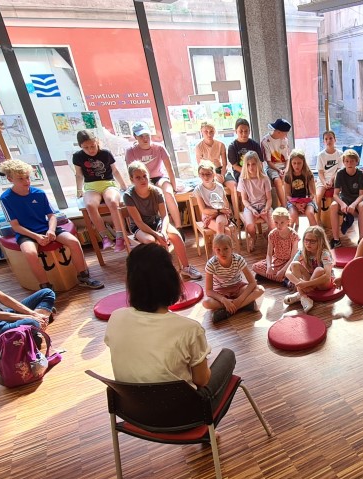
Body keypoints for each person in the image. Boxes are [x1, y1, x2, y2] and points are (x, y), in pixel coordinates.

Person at [104, 243, 211, 388]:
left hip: (130, 401)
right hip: (181, 402)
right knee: (226, 357)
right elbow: (201, 381)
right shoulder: (190, 329)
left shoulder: (116, 318)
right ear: (170, 280)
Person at [0, 159, 104, 290]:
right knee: (30, 253)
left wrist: (51, 230)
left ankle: (84, 277)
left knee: (74, 242)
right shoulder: (5, 198)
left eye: (27, 177)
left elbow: (51, 216)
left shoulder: (39, 193)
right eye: (21, 179)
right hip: (26, 233)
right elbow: (15, 226)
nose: (26, 181)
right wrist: (36, 236)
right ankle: (46, 287)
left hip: (46, 228)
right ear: (10, 179)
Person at [122, 161, 202, 280]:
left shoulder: (156, 191)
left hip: (157, 222)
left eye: (144, 176)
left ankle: (186, 268)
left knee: (176, 235)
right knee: (150, 241)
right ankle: (159, 272)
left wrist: (163, 231)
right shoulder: (128, 196)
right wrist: (156, 234)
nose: (143, 180)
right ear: (131, 179)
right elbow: (138, 222)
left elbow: (165, 216)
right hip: (140, 227)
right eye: (138, 177)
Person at [73, 129, 128, 252]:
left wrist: (123, 185)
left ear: (97, 142)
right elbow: (79, 175)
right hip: (91, 187)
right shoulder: (77, 156)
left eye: (93, 146)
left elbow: (115, 170)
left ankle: (120, 237)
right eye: (86, 147)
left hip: (108, 184)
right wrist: (79, 190)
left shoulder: (105, 153)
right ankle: (105, 237)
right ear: (81, 146)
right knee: (90, 205)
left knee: (112, 202)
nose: (90, 150)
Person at [124, 123, 181, 228]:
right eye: (141, 136)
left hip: (159, 178)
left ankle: (178, 227)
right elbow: (131, 172)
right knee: (149, 197)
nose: (145, 139)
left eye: (147, 135)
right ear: (135, 137)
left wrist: (174, 187)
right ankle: (154, 227)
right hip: (142, 179)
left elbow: (169, 168)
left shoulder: (159, 147)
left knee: (168, 193)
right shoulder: (130, 151)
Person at [202, 233, 264, 323]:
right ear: (214, 250)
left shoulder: (238, 259)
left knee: (260, 289)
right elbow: (209, 291)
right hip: (221, 292)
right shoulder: (211, 264)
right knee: (206, 303)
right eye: (218, 250)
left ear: (231, 248)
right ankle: (245, 305)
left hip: (238, 288)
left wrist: (239, 300)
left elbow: (252, 283)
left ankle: (227, 311)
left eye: (225, 249)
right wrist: (224, 300)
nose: (222, 253)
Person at [283, 226, 334, 313]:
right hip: (310, 281)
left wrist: (306, 284)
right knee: (294, 264)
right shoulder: (302, 251)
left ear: (320, 241)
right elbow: (287, 272)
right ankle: (303, 296)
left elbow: (327, 276)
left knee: (319, 270)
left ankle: (300, 294)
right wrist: (299, 284)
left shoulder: (324, 253)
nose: (308, 244)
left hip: (324, 283)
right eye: (306, 240)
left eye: (312, 241)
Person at [237, 150, 274, 252]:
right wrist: (251, 209)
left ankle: (267, 234)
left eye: (253, 164)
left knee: (274, 224)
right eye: (248, 165)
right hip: (250, 207)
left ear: (258, 164)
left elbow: (269, 199)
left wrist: (266, 208)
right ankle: (253, 237)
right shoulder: (243, 179)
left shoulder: (264, 178)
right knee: (250, 225)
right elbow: (244, 200)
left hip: (264, 205)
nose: (251, 167)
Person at [329, 149, 363, 245]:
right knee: (333, 206)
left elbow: (362, 194)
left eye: (352, 161)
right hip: (344, 198)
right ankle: (336, 239)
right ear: (343, 162)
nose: (349, 163)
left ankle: (361, 239)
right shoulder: (340, 173)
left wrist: (353, 205)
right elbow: (335, 194)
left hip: (357, 198)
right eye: (347, 161)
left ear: (356, 162)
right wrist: (342, 204)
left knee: (362, 206)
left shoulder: (361, 174)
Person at [193, 160, 234, 247]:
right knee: (226, 231)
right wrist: (218, 211)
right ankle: (224, 252)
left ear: (214, 174)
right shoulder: (198, 189)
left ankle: (218, 251)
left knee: (219, 223)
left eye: (208, 174)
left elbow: (226, 205)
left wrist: (219, 212)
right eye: (202, 174)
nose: (205, 177)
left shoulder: (219, 186)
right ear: (199, 175)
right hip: (208, 216)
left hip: (221, 214)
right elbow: (203, 210)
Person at [193, 120, 236, 203]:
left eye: (211, 131)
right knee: (215, 187)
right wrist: (214, 176)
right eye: (206, 132)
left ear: (214, 132)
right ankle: (219, 208)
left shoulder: (220, 145)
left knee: (233, 186)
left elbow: (224, 164)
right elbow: (200, 166)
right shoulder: (199, 147)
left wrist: (222, 175)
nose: (209, 134)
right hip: (208, 173)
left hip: (221, 170)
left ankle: (236, 210)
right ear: (201, 132)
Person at [253, 207, 299, 283]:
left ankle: (273, 277)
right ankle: (283, 280)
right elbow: (269, 254)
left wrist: (283, 270)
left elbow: (293, 257)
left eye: (282, 222)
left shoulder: (294, 235)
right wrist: (269, 267)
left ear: (288, 221)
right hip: (277, 261)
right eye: (276, 222)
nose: (278, 226)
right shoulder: (272, 234)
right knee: (255, 267)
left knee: (296, 268)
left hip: (289, 262)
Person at [261, 118, 292, 208]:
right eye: (285, 133)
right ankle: (285, 206)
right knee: (277, 181)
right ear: (278, 132)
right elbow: (268, 162)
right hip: (272, 167)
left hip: (284, 166)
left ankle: (293, 203)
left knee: (291, 177)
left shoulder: (284, 140)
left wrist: (286, 169)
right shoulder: (265, 141)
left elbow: (287, 158)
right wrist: (279, 170)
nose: (286, 135)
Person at [283, 149, 317, 230]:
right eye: (294, 163)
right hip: (293, 201)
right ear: (291, 163)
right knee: (292, 215)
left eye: (299, 163)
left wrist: (305, 203)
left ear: (303, 162)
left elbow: (312, 194)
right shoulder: (288, 176)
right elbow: (287, 195)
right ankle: (288, 235)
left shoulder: (308, 174)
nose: (296, 166)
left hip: (307, 200)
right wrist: (296, 204)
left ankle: (316, 234)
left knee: (310, 213)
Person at [226, 118, 264, 186]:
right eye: (241, 131)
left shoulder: (255, 145)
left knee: (264, 180)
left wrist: (255, 172)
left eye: (246, 131)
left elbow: (260, 162)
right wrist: (248, 173)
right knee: (246, 182)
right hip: (240, 172)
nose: (244, 134)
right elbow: (235, 166)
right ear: (236, 131)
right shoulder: (232, 147)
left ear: (249, 131)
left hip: (255, 170)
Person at [316, 130, 341, 213]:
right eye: (326, 139)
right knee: (318, 197)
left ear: (335, 140)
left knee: (338, 197)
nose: (328, 141)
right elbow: (320, 172)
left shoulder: (340, 154)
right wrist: (324, 183)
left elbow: (339, 170)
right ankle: (318, 219)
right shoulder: (321, 155)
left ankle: (340, 218)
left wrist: (331, 180)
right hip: (323, 179)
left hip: (336, 179)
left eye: (330, 138)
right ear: (323, 141)